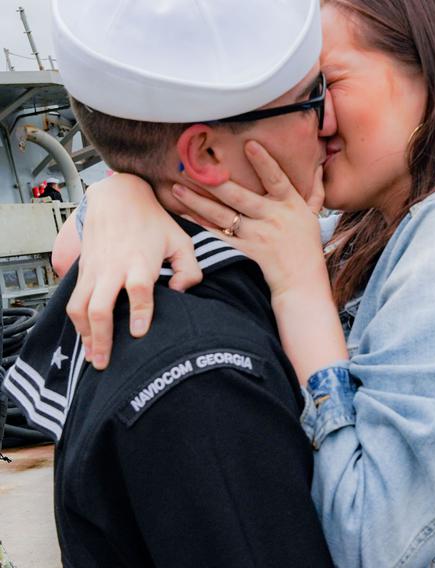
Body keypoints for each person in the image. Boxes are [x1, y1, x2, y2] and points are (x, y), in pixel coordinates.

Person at [54, 0, 435, 565]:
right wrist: (121, 193)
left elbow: (371, 546)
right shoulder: (392, 229)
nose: (318, 119)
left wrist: (302, 291)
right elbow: (85, 232)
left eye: (324, 84)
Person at [1, 1, 335, 566]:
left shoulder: (152, 300)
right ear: (204, 152)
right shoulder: (208, 385)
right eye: (313, 97)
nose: (328, 123)